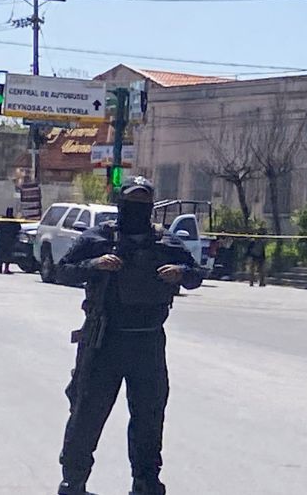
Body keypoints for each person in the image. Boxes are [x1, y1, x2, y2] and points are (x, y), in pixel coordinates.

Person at [55, 177, 202, 495]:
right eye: (131, 203)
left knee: (149, 415)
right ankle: (74, 480)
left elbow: (197, 275)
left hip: (147, 342)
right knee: (88, 412)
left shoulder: (165, 242)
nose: (136, 210)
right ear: (121, 205)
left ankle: (146, 480)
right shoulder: (101, 237)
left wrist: (181, 273)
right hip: (104, 339)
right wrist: (95, 264)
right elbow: (63, 269)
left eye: (142, 204)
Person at [0, 207, 21, 275]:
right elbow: (18, 228)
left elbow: (18, 228)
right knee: (5, 254)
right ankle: (3, 269)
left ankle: (3, 269)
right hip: (7, 239)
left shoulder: (7, 220)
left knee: (4, 254)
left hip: (4, 239)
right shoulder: (10, 220)